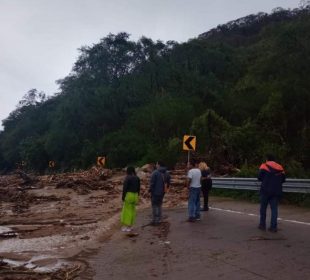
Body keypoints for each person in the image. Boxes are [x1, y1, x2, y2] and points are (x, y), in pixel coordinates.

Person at [258, 154, 285, 233]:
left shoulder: (263, 166)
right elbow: (283, 179)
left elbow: (259, 177)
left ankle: (262, 225)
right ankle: (273, 227)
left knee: (263, 208)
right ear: (274, 159)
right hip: (276, 191)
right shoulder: (280, 167)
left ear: (267, 159)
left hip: (265, 190)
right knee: (274, 209)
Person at [149, 161, 170, 225]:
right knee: (159, 205)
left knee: (155, 206)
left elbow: (152, 183)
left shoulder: (155, 172)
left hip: (155, 192)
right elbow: (168, 182)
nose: (156, 165)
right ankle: (159, 219)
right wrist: (165, 189)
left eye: (157, 164)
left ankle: (155, 220)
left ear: (159, 165)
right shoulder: (166, 173)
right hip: (162, 192)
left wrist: (150, 191)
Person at [121, 166, 140, 232]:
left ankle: (127, 227)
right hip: (135, 195)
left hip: (129, 195)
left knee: (127, 211)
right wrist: (138, 196)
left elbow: (125, 189)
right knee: (132, 210)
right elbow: (138, 188)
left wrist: (123, 197)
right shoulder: (137, 178)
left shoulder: (127, 178)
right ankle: (131, 226)